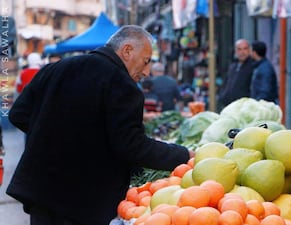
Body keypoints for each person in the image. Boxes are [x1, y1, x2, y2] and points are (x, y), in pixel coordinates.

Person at [7, 25, 195, 225]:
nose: (147, 71)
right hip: (84, 200)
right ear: (127, 50)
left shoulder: (58, 68)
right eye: (146, 61)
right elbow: (132, 146)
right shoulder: (123, 86)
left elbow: (19, 114)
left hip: (42, 192)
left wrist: (55, 137)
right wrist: (184, 155)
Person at [218, 39, 254, 109]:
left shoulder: (253, 66)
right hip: (229, 106)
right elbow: (226, 83)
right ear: (236, 51)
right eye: (239, 49)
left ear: (249, 50)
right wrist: (222, 96)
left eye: (245, 49)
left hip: (244, 107)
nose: (242, 52)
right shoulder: (233, 66)